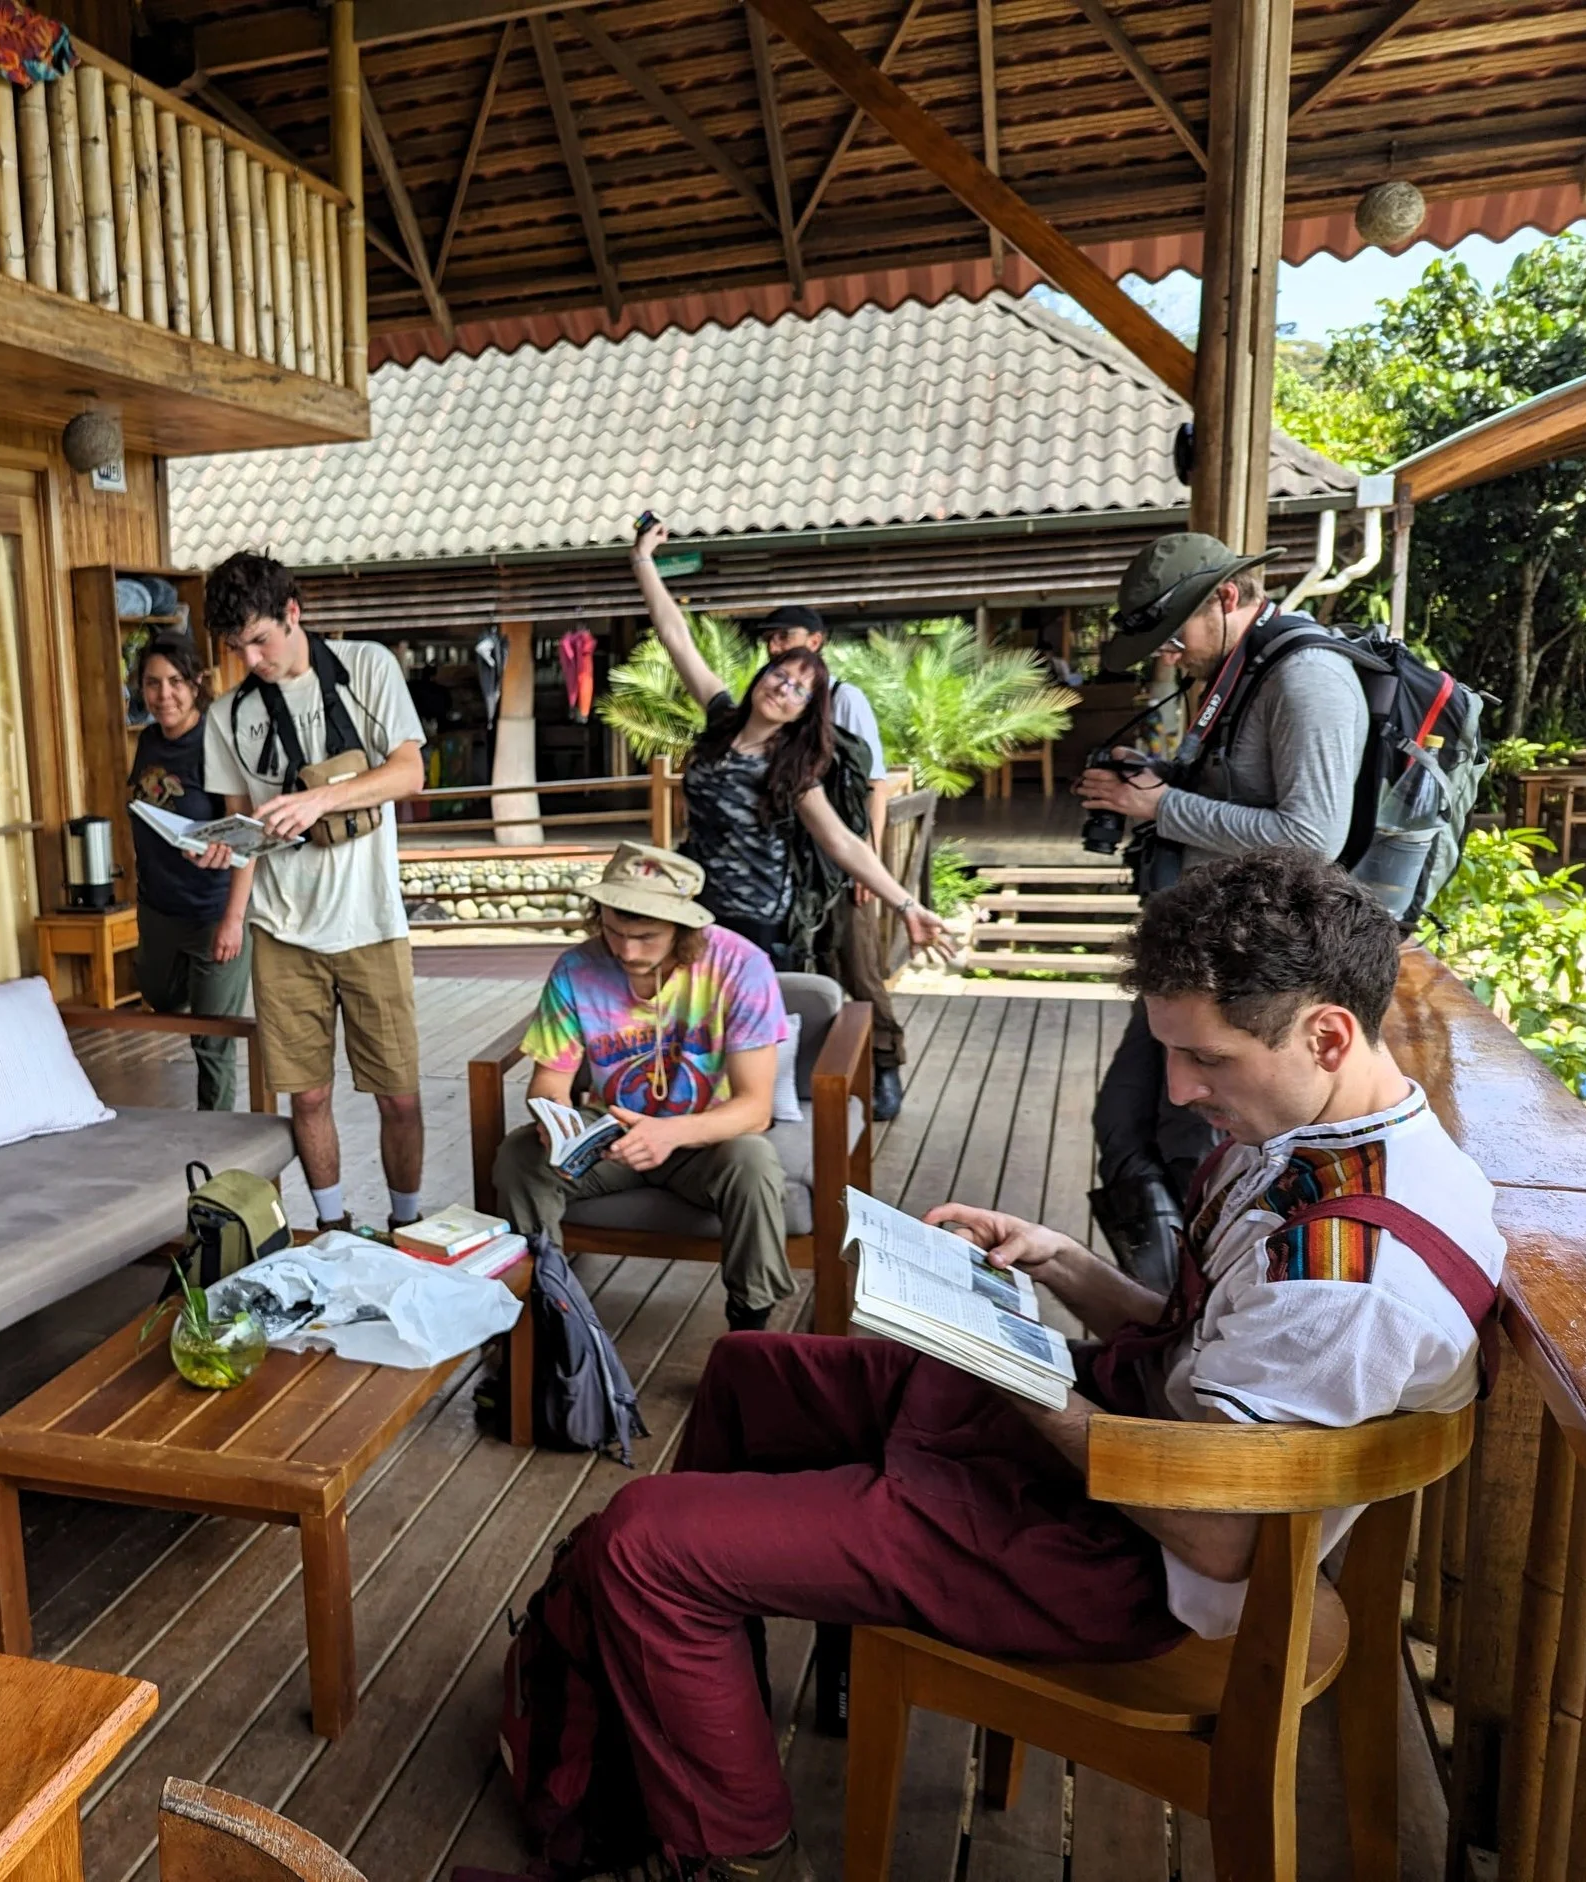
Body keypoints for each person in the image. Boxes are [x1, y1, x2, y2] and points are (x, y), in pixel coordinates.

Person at [563, 849, 1502, 1882]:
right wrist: (1062, 1262)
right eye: (1170, 1055)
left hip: (1135, 1564)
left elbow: (1217, 1532)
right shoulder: (1318, 1133)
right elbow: (1202, 1342)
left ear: (1326, 1032)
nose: (1180, 1091)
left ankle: (728, 1839)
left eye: (1209, 1060)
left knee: (642, 1541)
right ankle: (720, 1669)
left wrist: (1023, 1378)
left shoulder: (1353, 1280)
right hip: (1126, 1446)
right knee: (751, 1369)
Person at [1075, 534, 1368, 1291]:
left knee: (1190, 1143)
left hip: (1256, 975)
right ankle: (1163, 1308)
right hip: (1201, 960)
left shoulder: (1308, 678)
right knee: (1123, 1122)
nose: (1167, 657)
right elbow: (1242, 793)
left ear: (1228, 599)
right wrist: (1162, 779)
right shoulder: (1240, 676)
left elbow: (1312, 837)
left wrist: (1162, 805)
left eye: (1173, 636)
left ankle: (1186, 1319)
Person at [199, 552, 428, 1234]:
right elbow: (243, 825)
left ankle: (408, 1227)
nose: (252, 659)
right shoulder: (227, 713)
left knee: (401, 1097)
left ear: (293, 614)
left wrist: (322, 799)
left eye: (261, 640)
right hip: (282, 929)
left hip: (370, 921)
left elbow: (409, 773)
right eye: (237, 648)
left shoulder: (367, 668)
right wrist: (221, 856)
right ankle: (330, 1228)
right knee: (307, 1097)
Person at [630, 524, 948, 1010]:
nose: (785, 688)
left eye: (801, 689)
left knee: (753, 1032)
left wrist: (906, 904)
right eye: (781, 674)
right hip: (694, 905)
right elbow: (676, 637)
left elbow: (841, 840)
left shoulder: (791, 768)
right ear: (763, 675)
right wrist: (643, 562)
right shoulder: (719, 718)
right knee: (694, 1024)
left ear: (805, 711)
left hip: (760, 919)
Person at [493, 844, 795, 1334]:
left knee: (753, 1162)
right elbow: (549, 1081)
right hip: (610, 1136)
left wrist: (670, 1134)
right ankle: (545, 1315)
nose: (626, 951)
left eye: (646, 937)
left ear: (685, 929)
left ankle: (749, 1325)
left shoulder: (742, 966)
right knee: (520, 1154)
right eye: (614, 931)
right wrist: (554, 1119)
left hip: (706, 1139)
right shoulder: (576, 968)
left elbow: (755, 1109)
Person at [752, 600, 907, 1121]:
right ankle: (798, 1074)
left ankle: (885, 1065)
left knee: (857, 964)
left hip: (840, 859)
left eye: (786, 636)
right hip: (786, 862)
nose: (777, 646)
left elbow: (874, 782)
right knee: (792, 966)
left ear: (815, 641)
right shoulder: (768, 703)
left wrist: (872, 864)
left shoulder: (845, 698)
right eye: (771, 640)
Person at [129, 636, 252, 1110]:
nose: (165, 695)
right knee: (159, 996)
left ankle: (215, 1146)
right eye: (153, 683)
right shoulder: (147, 742)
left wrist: (233, 920)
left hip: (212, 910)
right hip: (159, 907)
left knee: (211, 1040)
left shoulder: (218, 741)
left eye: (176, 682)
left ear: (197, 682)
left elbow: (248, 835)